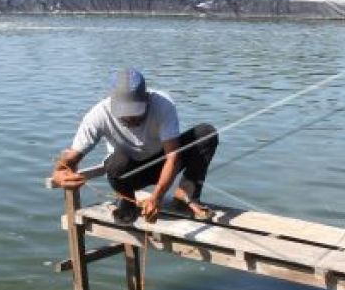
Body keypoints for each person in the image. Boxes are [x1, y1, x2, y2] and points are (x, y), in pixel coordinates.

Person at [50, 68, 219, 224]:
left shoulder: (163, 104)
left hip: (163, 164)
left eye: (135, 111)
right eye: (124, 112)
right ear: (112, 102)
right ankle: (127, 200)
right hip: (128, 173)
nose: (130, 118)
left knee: (206, 133)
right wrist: (59, 172)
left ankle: (185, 194)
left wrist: (157, 197)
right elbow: (70, 159)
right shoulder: (98, 114)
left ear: (146, 98)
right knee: (117, 162)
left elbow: (173, 157)